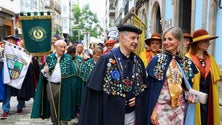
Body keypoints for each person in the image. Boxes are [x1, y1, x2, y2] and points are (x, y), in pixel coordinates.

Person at [78, 25, 148, 125]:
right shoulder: (106, 59)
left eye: (137, 38)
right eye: (132, 38)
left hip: (132, 115)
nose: (136, 42)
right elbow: (94, 92)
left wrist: (138, 98)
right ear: (122, 38)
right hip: (110, 115)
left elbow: (143, 87)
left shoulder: (138, 61)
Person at [146, 27, 198, 125]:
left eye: (170, 39)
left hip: (179, 109)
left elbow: (187, 87)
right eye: (165, 39)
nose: (166, 42)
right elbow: (149, 89)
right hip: (160, 108)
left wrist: (190, 96)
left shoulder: (185, 62)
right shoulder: (157, 60)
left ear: (178, 41)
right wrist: (152, 111)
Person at [31, 40, 79, 125]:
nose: (63, 49)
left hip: (65, 85)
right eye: (61, 47)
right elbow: (43, 73)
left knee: (64, 103)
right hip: (51, 85)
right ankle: (55, 121)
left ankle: (64, 121)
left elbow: (73, 73)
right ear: (56, 47)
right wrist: (44, 71)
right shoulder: (49, 57)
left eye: (64, 47)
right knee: (52, 102)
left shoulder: (68, 58)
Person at [186, 29, 221, 125]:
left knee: (207, 119)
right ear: (197, 43)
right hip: (194, 96)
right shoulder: (187, 59)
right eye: (205, 41)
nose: (208, 43)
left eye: (208, 41)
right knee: (196, 118)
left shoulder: (211, 59)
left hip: (209, 96)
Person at [0, 35, 26, 119]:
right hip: (6, 74)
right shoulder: (3, 51)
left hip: (17, 72)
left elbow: (24, 61)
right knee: (6, 92)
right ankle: (5, 110)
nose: (10, 42)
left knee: (19, 90)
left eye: (11, 41)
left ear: (15, 42)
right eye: (8, 41)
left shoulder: (19, 50)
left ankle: (20, 106)